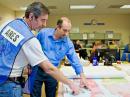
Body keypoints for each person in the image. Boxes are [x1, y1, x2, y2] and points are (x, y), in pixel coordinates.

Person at [0, 2, 80, 97]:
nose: (44, 24)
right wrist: (71, 84)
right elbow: (49, 68)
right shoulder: (29, 39)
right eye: (42, 20)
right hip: (9, 86)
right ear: (31, 16)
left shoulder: (8, 23)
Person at [31, 17, 88, 97]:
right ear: (58, 27)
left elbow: (74, 59)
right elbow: (32, 49)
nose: (67, 34)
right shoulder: (43, 33)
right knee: (35, 94)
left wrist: (82, 76)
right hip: (37, 70)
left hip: (53, 73)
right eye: (64, 30)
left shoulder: (67, 43)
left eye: (68, 31)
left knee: (51, 94)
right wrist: (28, 65)